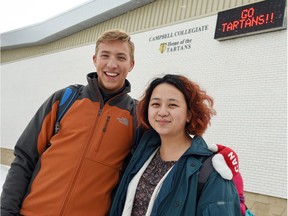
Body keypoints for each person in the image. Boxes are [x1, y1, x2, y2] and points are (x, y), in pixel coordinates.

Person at [1, 29, 239, 216]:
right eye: (105, 55)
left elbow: (173, 140)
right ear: (95, 59)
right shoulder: (64, 100)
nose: (112, 65)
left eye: (121, 57)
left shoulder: (138, 117)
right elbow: (24, 159)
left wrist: (213, 154)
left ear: (131, 65)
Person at [109, 74, 241, 216]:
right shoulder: (141, 154)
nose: (162, 112)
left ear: (189, 114)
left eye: (172, 105)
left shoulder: (210, 171)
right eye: (155, 104)